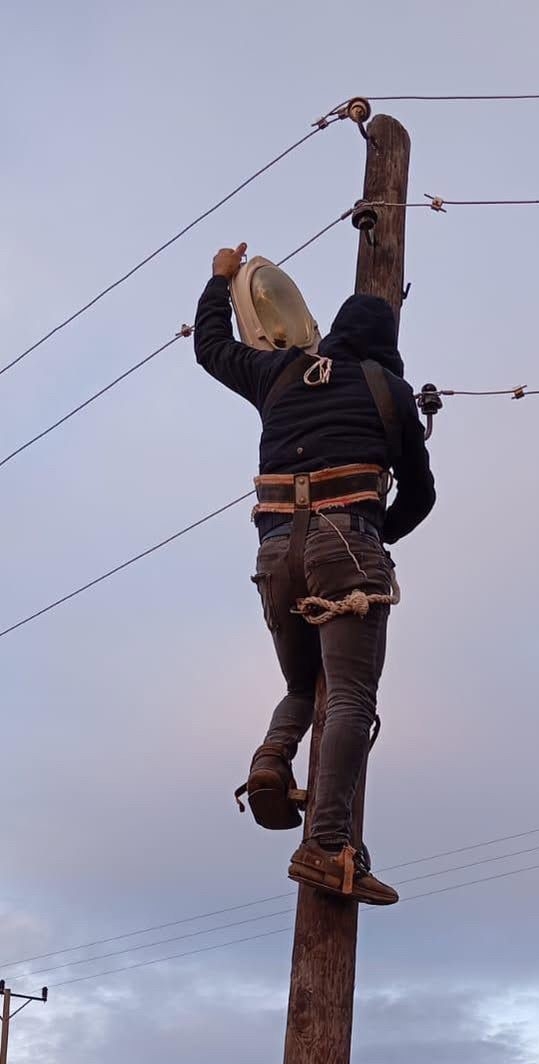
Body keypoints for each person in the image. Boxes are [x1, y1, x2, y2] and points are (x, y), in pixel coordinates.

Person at [194, 242, 436, 905]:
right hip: (347, 546)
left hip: (274, 550)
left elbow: (210, 348)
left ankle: (272, 758)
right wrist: (369, 535)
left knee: (306, 682)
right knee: (351, 697)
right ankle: (328, 848)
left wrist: (219, 282)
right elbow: (419, 494)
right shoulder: (389, 392)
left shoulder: (277, 372)